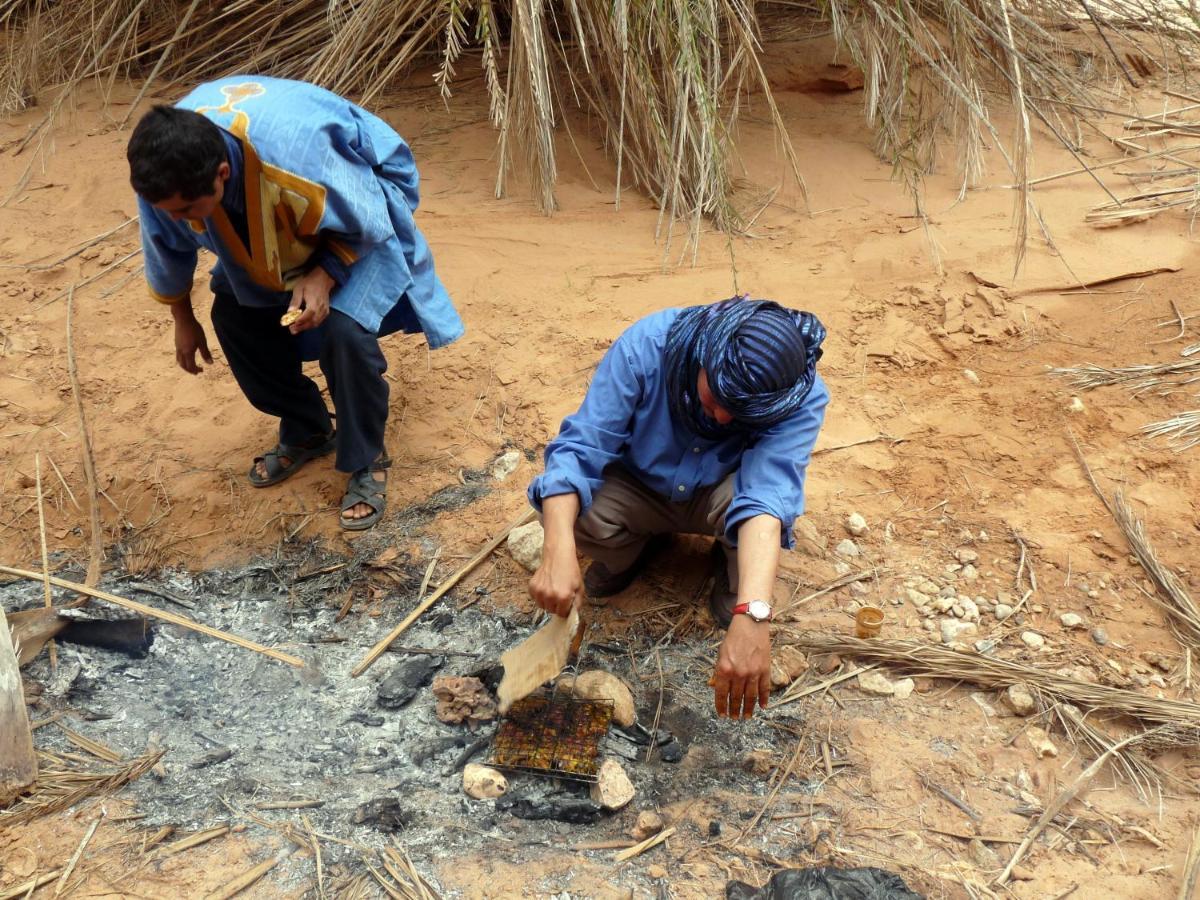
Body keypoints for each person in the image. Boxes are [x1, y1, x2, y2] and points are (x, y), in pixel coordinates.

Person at [127, 76, 464, 530]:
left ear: (221, 176)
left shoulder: (302, 160)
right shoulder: (167, 176)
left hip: (359, 213)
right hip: (269, 219)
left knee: (345, 333)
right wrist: (182, 317)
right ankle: (308, 429)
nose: (174, 220)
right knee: (232, 317)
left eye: (186, 212)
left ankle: (367, 457)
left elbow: (369, 215)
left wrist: (325, 273)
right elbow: (166, 245)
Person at [526, 297, 828, 720]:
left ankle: (731, 571)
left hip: (721, 498)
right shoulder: (646, 348)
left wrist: (754, 614)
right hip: (640, 484)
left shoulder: (797, 396)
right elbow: (579, 450)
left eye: (742, 414)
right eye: (717, 397)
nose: (722, 418)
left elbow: (766, 496)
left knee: (763, 524)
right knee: (565, 511)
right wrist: (556, 549)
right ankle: (635, 548)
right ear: (704, 355)